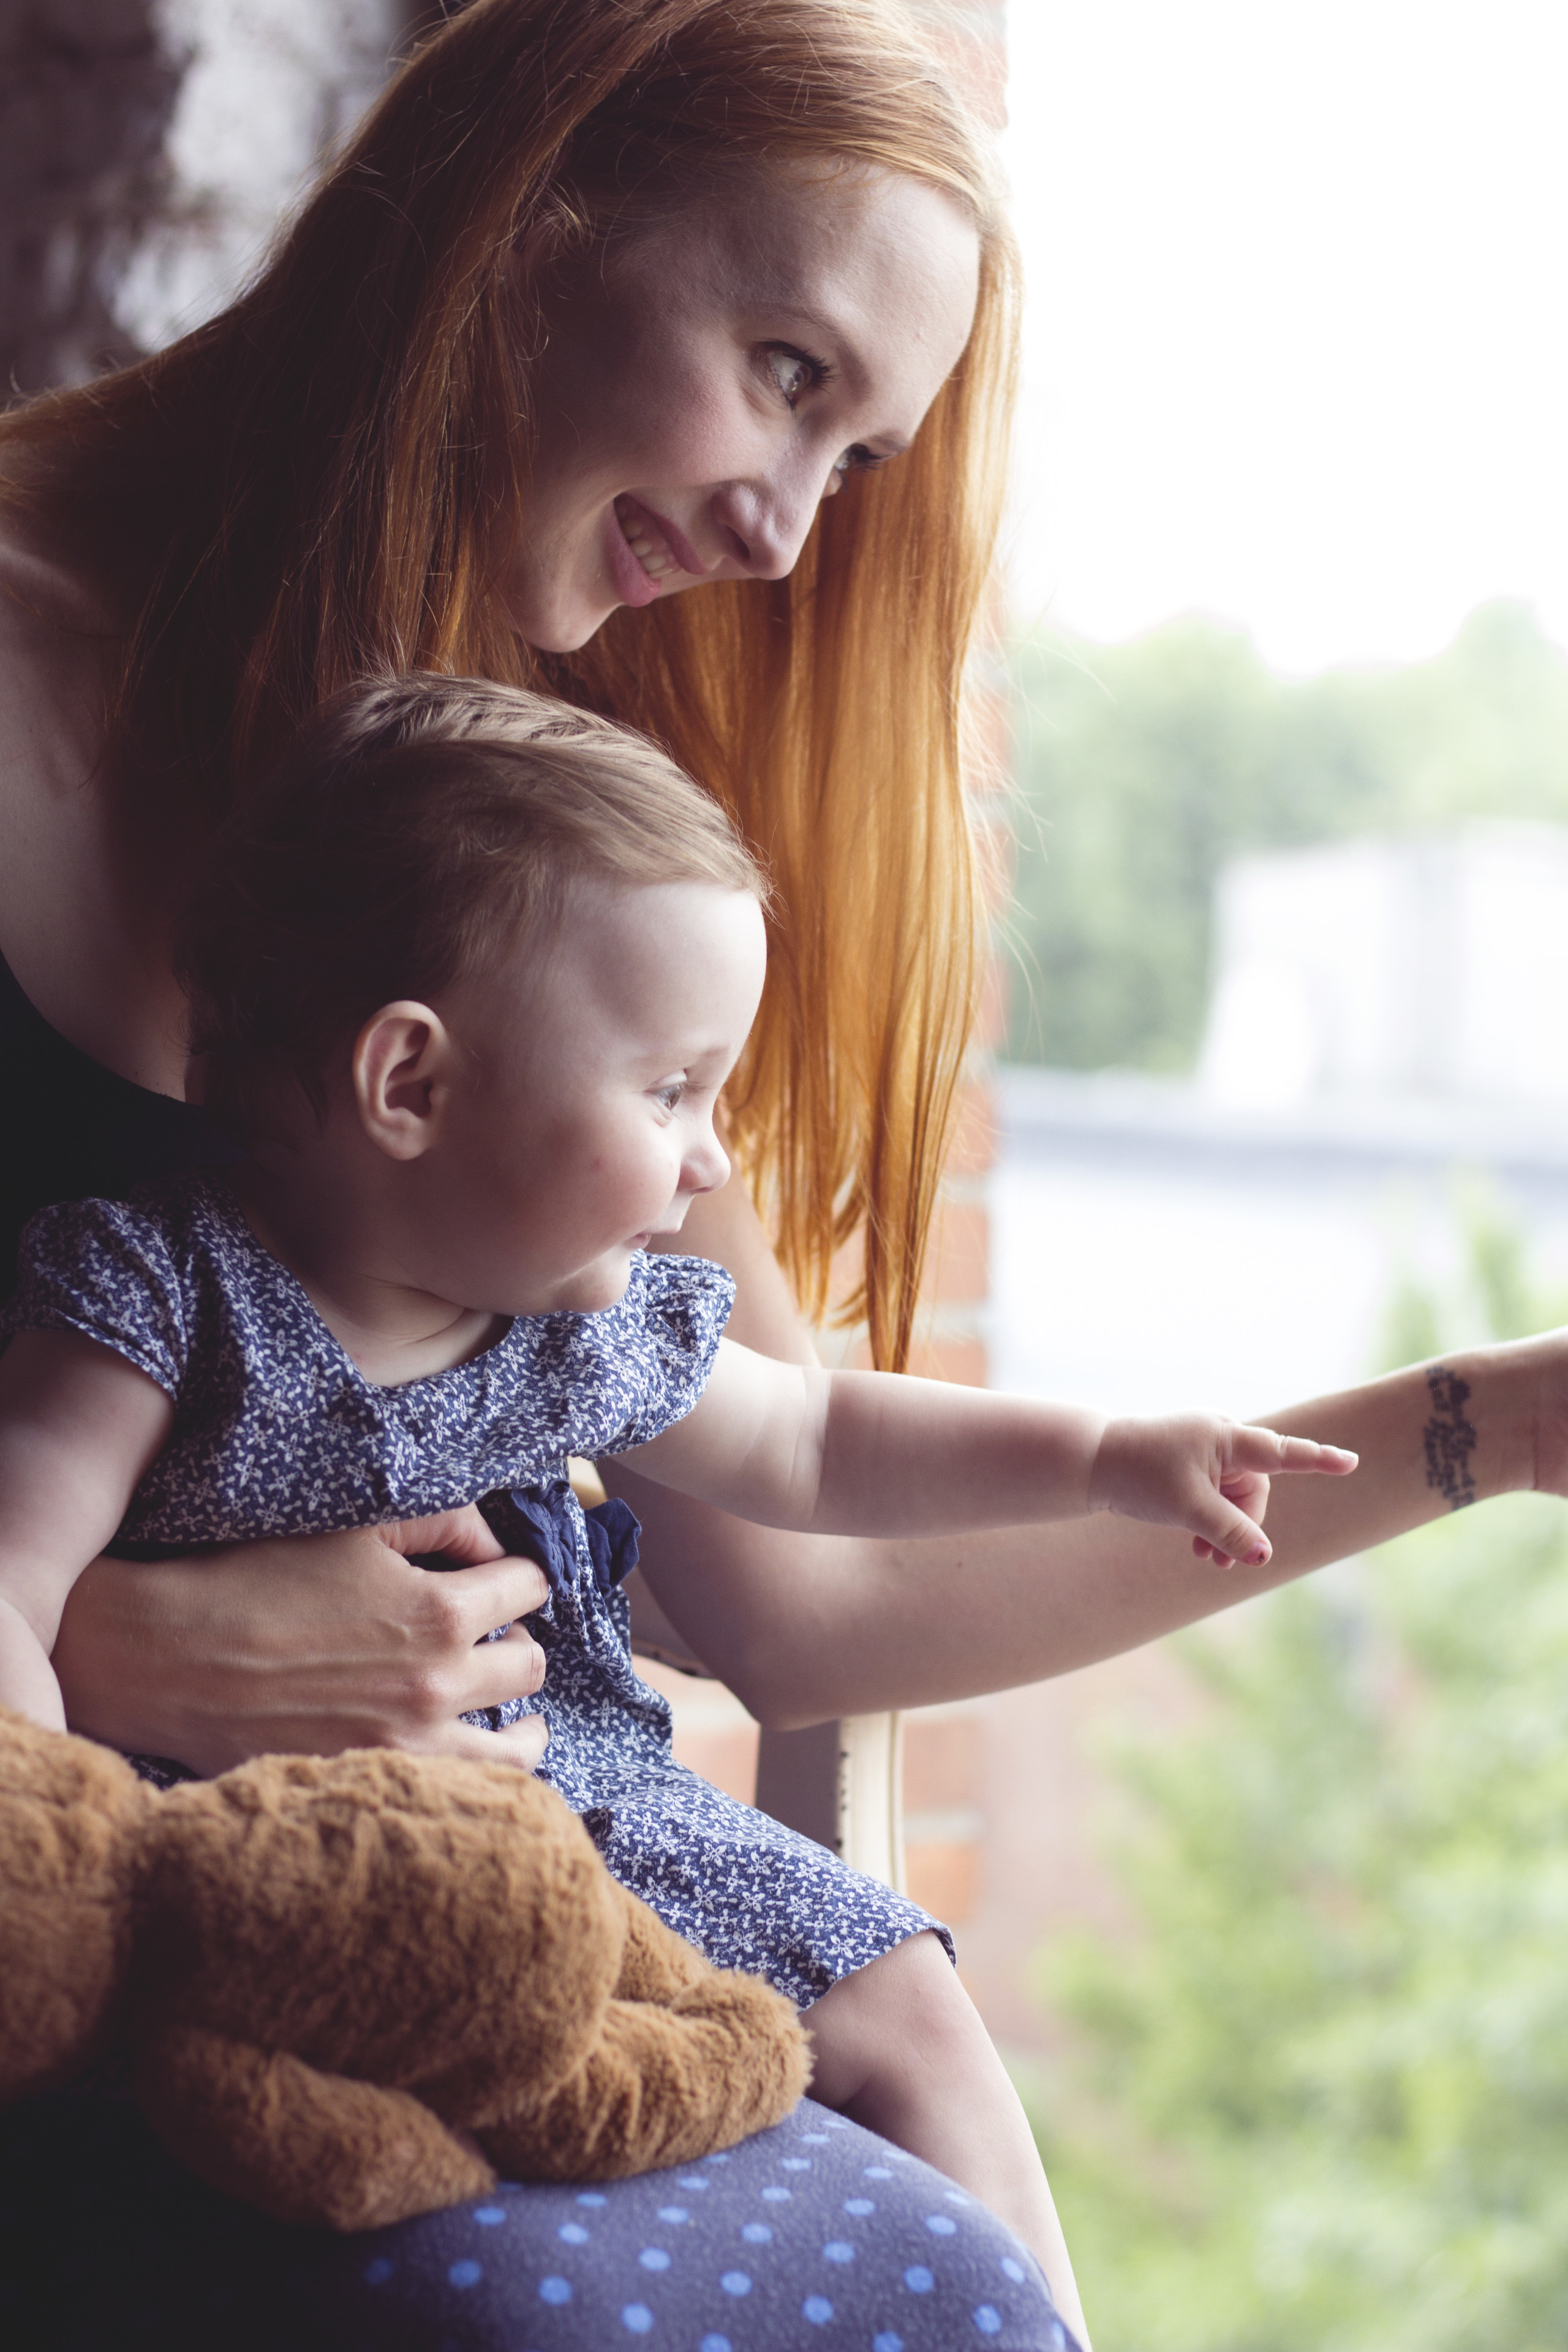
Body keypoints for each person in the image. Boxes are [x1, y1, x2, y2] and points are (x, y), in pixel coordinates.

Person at [0, 1, 1563, 2345]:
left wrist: (1484, 1427)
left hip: (445, 1934)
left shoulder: (512, 878)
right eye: (783, 371)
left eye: (853, 458)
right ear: (532, 229)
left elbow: (800, 1554)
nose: (779, 528)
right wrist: (115, 1649)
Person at [0, 673, 1360, 2275]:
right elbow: (13, 1582)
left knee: (906, 1998)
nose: (712, 1157)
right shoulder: (160, 1298)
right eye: (671, 1090)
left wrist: (1109, 1454)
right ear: (411, 1085)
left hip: (599, 1808)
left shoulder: (579, 1326)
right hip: (266, 1847)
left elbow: (817, 1437)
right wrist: (68, 1852)